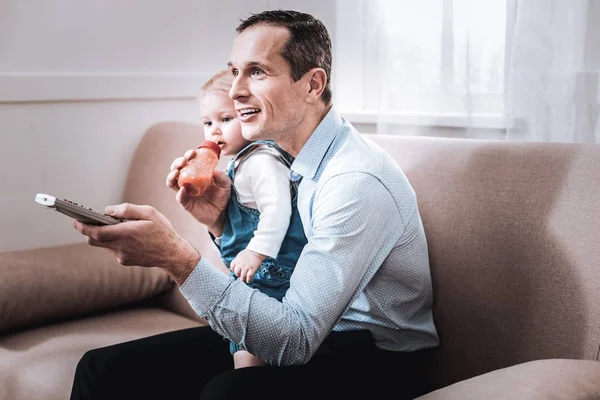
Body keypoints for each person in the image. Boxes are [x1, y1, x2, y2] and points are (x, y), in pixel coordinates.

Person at [70, 9, 439, 400]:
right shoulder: (271, 161)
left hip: (376, 359)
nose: (235, 91)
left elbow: (295, 339)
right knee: (103, 368)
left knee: (227, 393)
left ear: (312, 84)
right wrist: (223, 226)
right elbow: (270, 283)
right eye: (235, 72)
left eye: (257, 72)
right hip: (306, 327)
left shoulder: (354, 182)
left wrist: (176, 258)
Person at [192, 69, 307, 368]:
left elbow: (278, 210)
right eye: (208, 122)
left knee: (249, 361)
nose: (214, 131)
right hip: (254, 277)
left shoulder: (262, 161)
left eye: (226, 119)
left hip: (273, 276)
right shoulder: (239, 164)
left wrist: (256, 251)